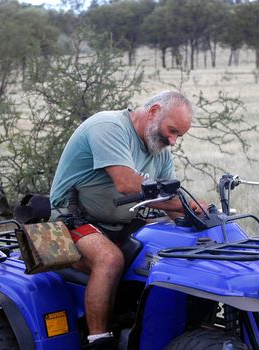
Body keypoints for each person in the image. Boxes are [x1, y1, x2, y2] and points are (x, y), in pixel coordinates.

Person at [50, 90, 204, 349]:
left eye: (179, 135)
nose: (173, 140)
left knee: (168, 254)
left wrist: (199, 215)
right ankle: (98, 340)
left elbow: (170, 198)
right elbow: (126, 184)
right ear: (154, 111)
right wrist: (183, 203)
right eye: (172, 130)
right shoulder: (109, 126)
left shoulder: (160, 150)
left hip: (123, 223)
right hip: (72, 220)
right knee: (110, 259)